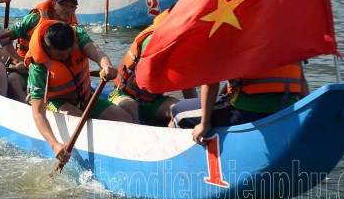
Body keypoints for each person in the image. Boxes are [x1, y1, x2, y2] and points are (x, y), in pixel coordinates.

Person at [26, 20, 132, 161]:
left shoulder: (77, 34)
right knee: (78, 117)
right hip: (57, 101)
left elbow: (97, 53)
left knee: (125, 118)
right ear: (46, 47)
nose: (66, 58)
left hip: (85, 97)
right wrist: (55, 145)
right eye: (60, 55)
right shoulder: (38, 67)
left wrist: (106, 66)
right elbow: (38, 113)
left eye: (69, 53)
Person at [177, 64, 310, 143]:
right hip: (286, 111)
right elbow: (301, 80)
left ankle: (174, 170)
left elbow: (210, 82)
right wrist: (307, 116)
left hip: (245, 113)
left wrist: (204, 124)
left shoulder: (237, 31)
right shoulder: (291, 35)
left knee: (177, 111)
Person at [108, 10, 198, 126]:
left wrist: (194, 111)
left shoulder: (178, 45)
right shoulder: (151, 40)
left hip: (153, 101)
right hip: (124, 94)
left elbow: (187, 85)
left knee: (178, 110)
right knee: (131, 106)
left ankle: (172, 141)